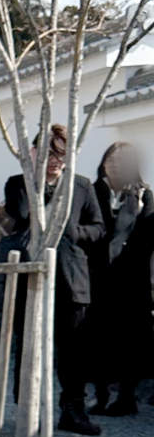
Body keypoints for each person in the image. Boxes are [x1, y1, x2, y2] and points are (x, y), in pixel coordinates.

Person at [4, 125, 105, 436]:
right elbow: (21, 214)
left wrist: (75, 232)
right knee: (27, 346)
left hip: (72, 278)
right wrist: (38, 181)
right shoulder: (19, 183)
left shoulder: (83, 186)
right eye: (48, 154)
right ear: (35, 153)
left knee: (74, 351)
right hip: (30, 278)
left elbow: (99, 227)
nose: (55, 161)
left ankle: (73, 410)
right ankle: (27, 413)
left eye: (61, 155)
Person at [87, 142, 154, 416]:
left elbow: (147, 236)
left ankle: (127, 398)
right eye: (113, 160)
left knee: (130, 339)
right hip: (99, 276)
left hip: (131, 280)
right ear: (104, 163)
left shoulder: (144, 195)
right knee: (98, 337)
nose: (117, 165)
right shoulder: (92, 192)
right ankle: (100, 396)